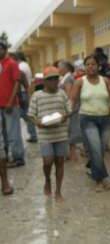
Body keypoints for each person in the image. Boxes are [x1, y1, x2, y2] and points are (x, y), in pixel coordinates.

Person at [71, 55, 110, 192]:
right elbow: (72, 100)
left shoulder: (106, 81)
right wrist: (66, 115)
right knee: (96, 148)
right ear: (84, 67)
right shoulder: (79, 82)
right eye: (87, 64)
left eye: (93, 64)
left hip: (105, 120)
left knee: (100, 150)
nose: (90, 67)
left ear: (98, 66)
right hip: (87, 119)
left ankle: (92, 166)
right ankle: (99, 180)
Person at [28, 66, 71, 201]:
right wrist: (38, 123)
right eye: (50, 79)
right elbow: (31, 115)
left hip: (60, 133)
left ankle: (58, 191)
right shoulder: (37, 96)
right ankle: (47, 179)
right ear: (44, 81)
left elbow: (68, 110)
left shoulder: (62, 93)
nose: (54, 82)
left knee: (60, 161)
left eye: (56, 79)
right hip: (45, 134)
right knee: (48, 161)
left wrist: (64, 117)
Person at [0, 41, 25, 168]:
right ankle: (5, 157)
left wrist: (10, 101)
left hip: (10, 105)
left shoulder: (12, 63)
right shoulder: (0, 64)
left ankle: (18, 158)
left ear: (4, 49)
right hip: (0, 105)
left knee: (13, 132)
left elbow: (17, 82)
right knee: (3, 133)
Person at [11, 52, 38, 143]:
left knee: (21, 115)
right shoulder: (25, 65)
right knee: (27, 115)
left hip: (21, 93)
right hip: (25, 92)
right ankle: (33, 135)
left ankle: (32, 135)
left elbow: (19, 80)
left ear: (16, 58)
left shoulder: (20, 67)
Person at [58, 61, 81, 161]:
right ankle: (70, 154)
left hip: (70, 108)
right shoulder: (66, 78)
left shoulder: (68, 79)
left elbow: (69, 95)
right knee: (70, 130)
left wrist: (68, 109)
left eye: (59, 67)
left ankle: (72, 154)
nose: (58, 69)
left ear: (66, 68)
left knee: (71, 130)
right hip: (70, 108)